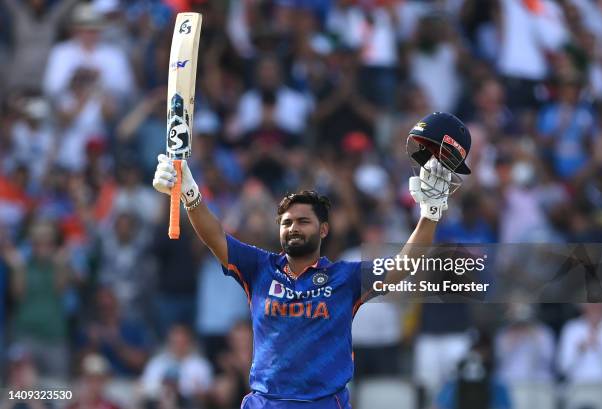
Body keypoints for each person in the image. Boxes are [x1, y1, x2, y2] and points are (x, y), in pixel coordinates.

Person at [152, 112, 472, 408]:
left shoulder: (344, 278)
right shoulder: (260, 268)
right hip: (267, 402)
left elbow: (402, 267)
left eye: (303, 221)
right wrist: (190, 191)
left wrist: (429, 215)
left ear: (323, 230)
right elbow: (214, 237)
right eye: (287, 222)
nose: (293, 228)